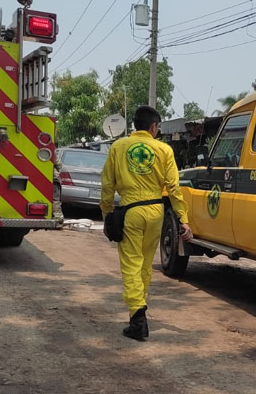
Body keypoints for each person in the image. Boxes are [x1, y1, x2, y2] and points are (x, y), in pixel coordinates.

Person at [100, 105, 193, 341]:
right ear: (153, 127)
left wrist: (107, 215)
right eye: (158, 127)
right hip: (156, 212)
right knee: (144, 264)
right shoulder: (164, 149)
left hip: (130, 211)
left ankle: (138, 318)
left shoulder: (118, 147)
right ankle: (139, 309)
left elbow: (107, 186)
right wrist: (183, 219)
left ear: (134, 125)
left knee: (131, 264)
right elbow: (174, 188)